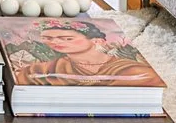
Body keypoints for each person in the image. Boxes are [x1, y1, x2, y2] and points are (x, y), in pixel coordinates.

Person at [20, 19, 158, 84]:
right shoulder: (42, 69)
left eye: (67, 38)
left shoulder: (133, 69)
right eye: (48, 38)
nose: (55, 42)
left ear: (97, 41)